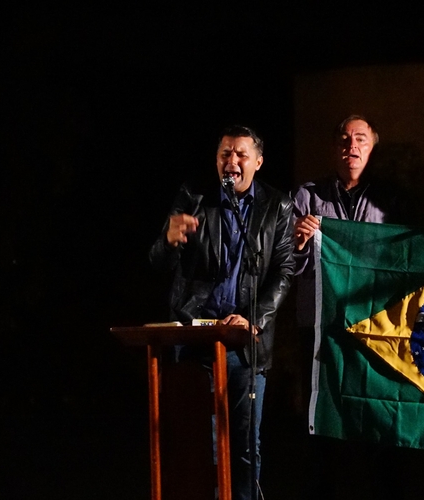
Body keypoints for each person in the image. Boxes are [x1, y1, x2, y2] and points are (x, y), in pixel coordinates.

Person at [149, 125, 295, 500]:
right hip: (197, 341)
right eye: (224, 155)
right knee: (204, 445)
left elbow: (284, 270)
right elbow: (157, 261)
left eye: (240, 155)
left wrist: (255, 318)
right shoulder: (195, 197)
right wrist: (168, 240)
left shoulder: (277, 205)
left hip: (245, 344)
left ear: (257, 162)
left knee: (246, 447)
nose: (231, 162)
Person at [290, 114, 406, 498]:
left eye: (360, 139)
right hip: (321, 329)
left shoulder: (391, 200)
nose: (351, 147)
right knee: (321, 421)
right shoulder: (307, 196)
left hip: (374, 331)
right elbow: (290, 266)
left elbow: (402, 261)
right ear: (333, 148)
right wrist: (301, 243)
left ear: (373, 146)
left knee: (377, 419)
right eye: (343, 139)